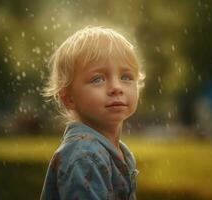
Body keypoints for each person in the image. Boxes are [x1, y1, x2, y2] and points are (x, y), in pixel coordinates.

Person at [40, 26, 145, 200]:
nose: (116, 88)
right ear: (69, 98)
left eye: (126, 77)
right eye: (98, 79)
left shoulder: (117, 151)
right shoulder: (84, 155)